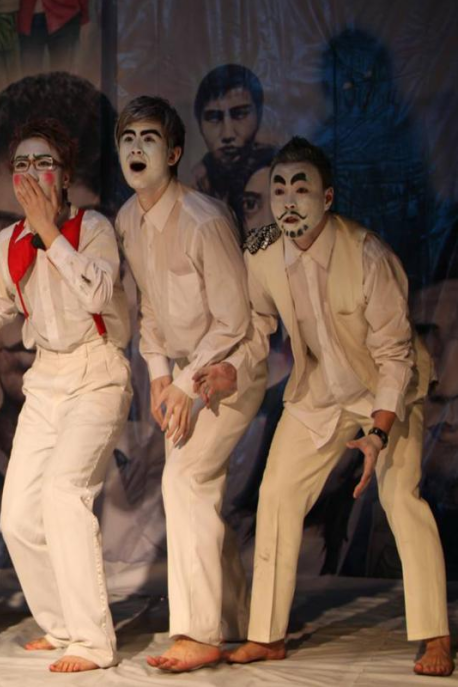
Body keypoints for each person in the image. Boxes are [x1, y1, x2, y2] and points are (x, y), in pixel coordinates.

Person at [215, 137, 453, 677]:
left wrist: (379, 432)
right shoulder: (262, 250)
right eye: (279, 188)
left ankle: (435, 634)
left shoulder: (368, 255)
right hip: (320, 389)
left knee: (401, 499)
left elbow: (395, 356)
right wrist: (232, 366)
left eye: (301, 188)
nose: (288, 200)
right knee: (276, 494)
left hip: (389, 390)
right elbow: (259, 325)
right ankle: (266, 635)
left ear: (327, 197)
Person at [0, 118, 131, 672]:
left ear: (65, 175)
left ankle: (93, 641)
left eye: (43, 163)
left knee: (63, 493)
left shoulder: (92, 228)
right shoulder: (7, 245)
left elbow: (98, 293)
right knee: (18, 517)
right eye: (22, 165)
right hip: (47, 378)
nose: (31, 175)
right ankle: (62, 624)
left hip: (97, 371)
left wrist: (50, 232)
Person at [114, 96, 267, 672]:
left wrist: (183, 383)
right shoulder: (128, 220)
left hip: (231, 368)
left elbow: (234, 322)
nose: (136, 149)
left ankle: (199, 632)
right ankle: (237, 619)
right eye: (128, 139)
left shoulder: (204, 220)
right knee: (195, 489)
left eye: (149, 139)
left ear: (175, 153)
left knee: (186, 480)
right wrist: (159, 377)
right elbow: (150, 309)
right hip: (183, 373)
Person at [189, 64, 276, 232]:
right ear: (199, 124)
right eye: (214, 118)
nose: (228, 133)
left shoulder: (279, 172)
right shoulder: (194, 187)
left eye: (240, 114)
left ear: (259, 115)